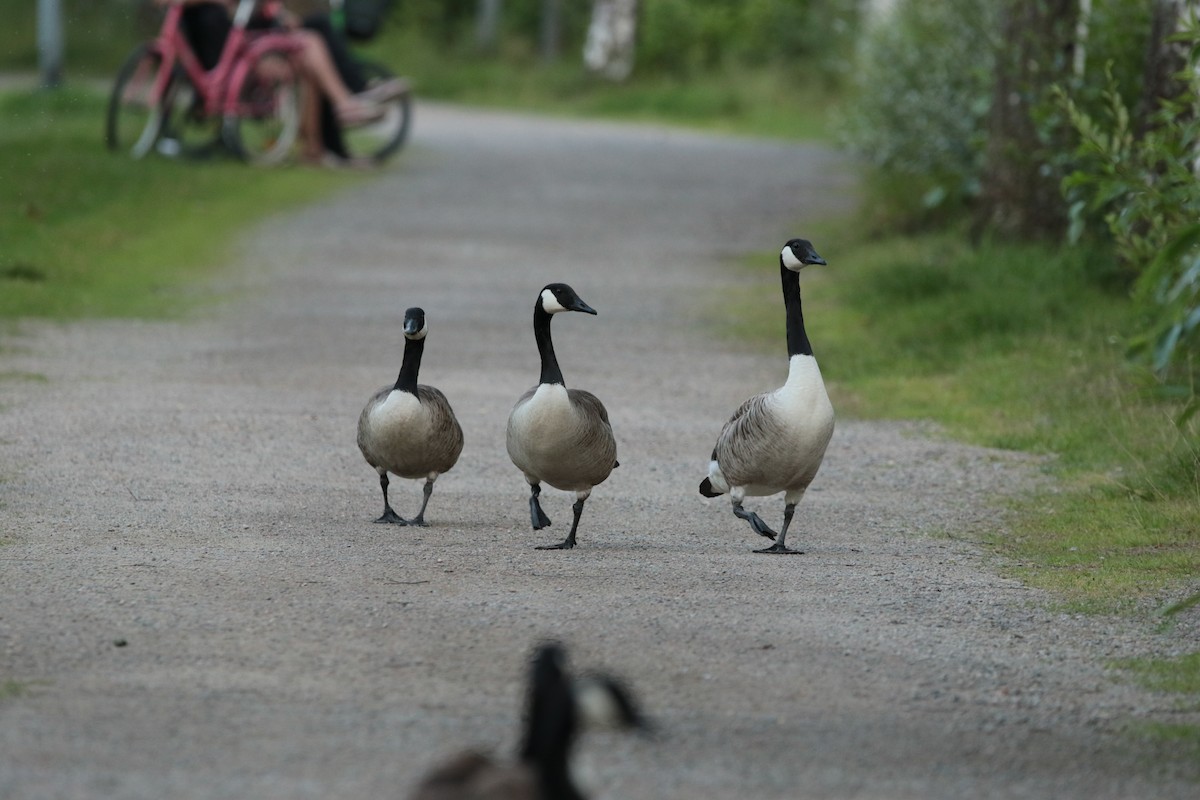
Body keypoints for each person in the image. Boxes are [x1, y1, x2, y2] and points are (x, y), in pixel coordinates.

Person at [165, 0, 403, 163]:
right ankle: (349, 101)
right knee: (312, 43)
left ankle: (338, 118)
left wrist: (278, 15)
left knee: (313, 41)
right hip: (244, 44)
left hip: (251, 36)